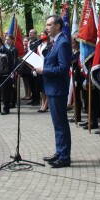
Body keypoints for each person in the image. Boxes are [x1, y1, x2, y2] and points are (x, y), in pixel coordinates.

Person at [36, 15, 72, 168]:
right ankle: (60, 151)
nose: (47, 27)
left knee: (61, 123)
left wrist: (44, 71)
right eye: (47, 25)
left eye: (50, 25)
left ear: (58, 26)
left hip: (58, 88)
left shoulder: (63, 42)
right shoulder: (54, 42)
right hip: (52, 88)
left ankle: (64, 157)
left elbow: (63, 68)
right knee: (57, 124)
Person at [37, 30, 52, 112]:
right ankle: (43, 103)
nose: (42, 36)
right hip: (39, 68)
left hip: (46, 68)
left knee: (46, 87)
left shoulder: (50, 45)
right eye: (41, 34)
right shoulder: (39, 46)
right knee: (41, 88)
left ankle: (46, 105)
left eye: (44, 34)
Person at [27, 29, 40, 106]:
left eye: (32, 33)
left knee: (36, 84)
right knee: (31, 83)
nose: (30, 34)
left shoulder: (37, 42)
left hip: (35, 65)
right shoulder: (29, 42)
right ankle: (33, 98)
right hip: (29, 64)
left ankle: (37, 99)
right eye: (29, 32)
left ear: (35, 34)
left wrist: (34, 66)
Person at [5, 34, 19, 109]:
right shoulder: (5, 48)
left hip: (12, 71)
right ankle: (9, 100)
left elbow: (14, 61)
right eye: (6, 39)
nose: (7, 41)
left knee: (13, 86)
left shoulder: (14, 49)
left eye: (9, 40)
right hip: (6, 70)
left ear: (12, 40)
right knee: (8, 86)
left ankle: (13, 102)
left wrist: (13, 71)